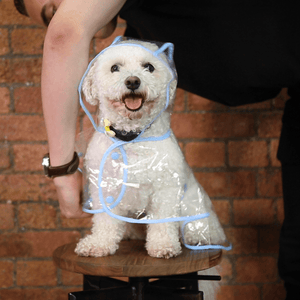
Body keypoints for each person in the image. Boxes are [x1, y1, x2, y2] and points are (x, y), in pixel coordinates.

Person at [15, 1, 300, 298]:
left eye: (58, 6)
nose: (65, 15)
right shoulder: (138, 33)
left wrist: (62, 170)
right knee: (295, 259)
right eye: (53, 17)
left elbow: (65, 34)